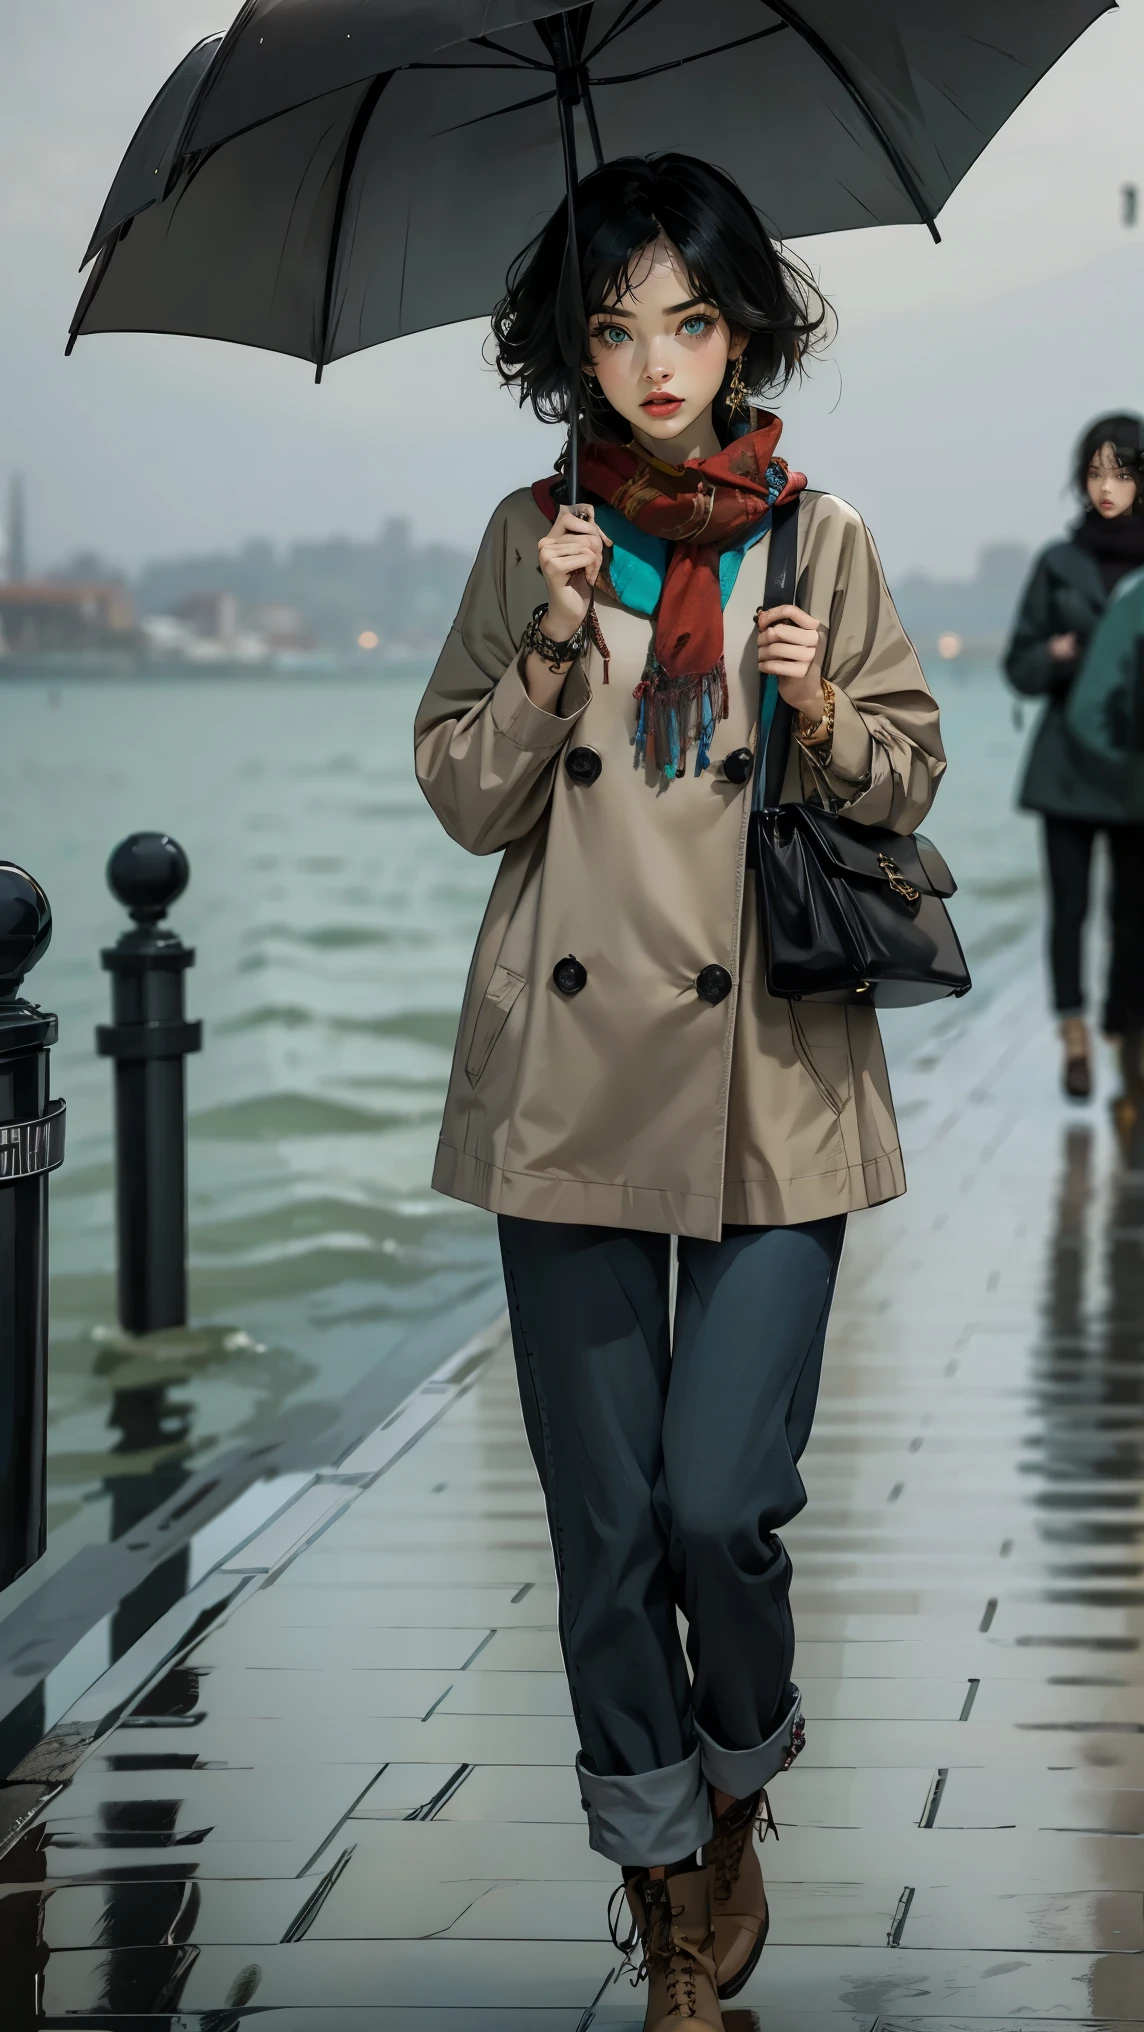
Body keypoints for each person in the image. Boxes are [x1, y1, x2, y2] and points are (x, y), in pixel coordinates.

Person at [414, 154, 943, 2032]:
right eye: (615, 325)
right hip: (563, 1084)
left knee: (721, 1504)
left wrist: (821, 709)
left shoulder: (818, 536)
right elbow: (466, 793)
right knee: (607, 1523)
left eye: (688, 321)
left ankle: (737, 1775)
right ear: (572, 345)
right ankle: (664, 1891)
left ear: (742, 331)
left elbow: (902, 779)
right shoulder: (527, 535)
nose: (653, 362)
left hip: (768, 1085)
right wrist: (555, 639)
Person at [1004, 415, 1144, 1102]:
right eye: (1095, 472)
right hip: (1064, 767)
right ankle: (1075, 1037)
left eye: (1121, 471)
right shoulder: (1058, 562)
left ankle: (1120, 1023)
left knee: (1134, 913)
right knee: (1069, 910)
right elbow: (1018, 666)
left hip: (1133, 767)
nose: (1107, 487)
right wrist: (1054, 656)